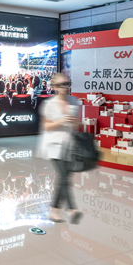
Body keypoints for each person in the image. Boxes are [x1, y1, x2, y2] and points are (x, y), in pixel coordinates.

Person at [40, 72, 82, 224]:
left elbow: (77, 124)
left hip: (69, 145)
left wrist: (74, 122)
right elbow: (46, 126)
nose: (65, 87)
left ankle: (57, 210)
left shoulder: (74, 101)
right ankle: (70, 209)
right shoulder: (49, 104)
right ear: (54, 87)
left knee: (64, 178)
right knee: (64, 175)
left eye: (67, 84)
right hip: (53, 145)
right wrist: (62, 120)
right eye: (61, 85)